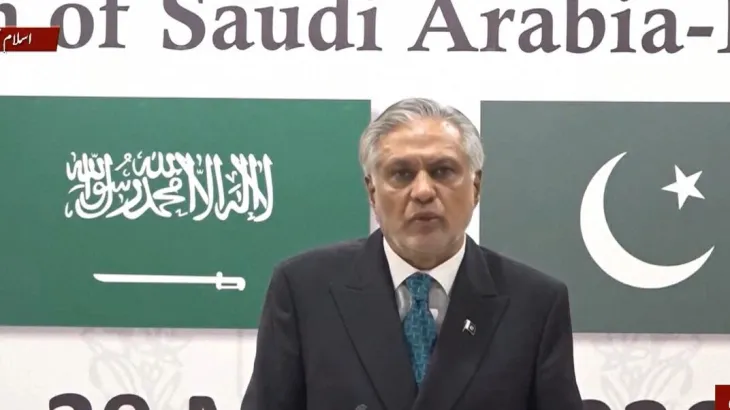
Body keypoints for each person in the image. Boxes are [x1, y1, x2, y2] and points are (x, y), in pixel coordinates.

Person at [241, 98, 583, 410]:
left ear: (476, 186)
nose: (422, 191)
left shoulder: (535, 303)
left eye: (442, 171)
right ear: (372, 191)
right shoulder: (304, 290)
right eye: (401, 174)